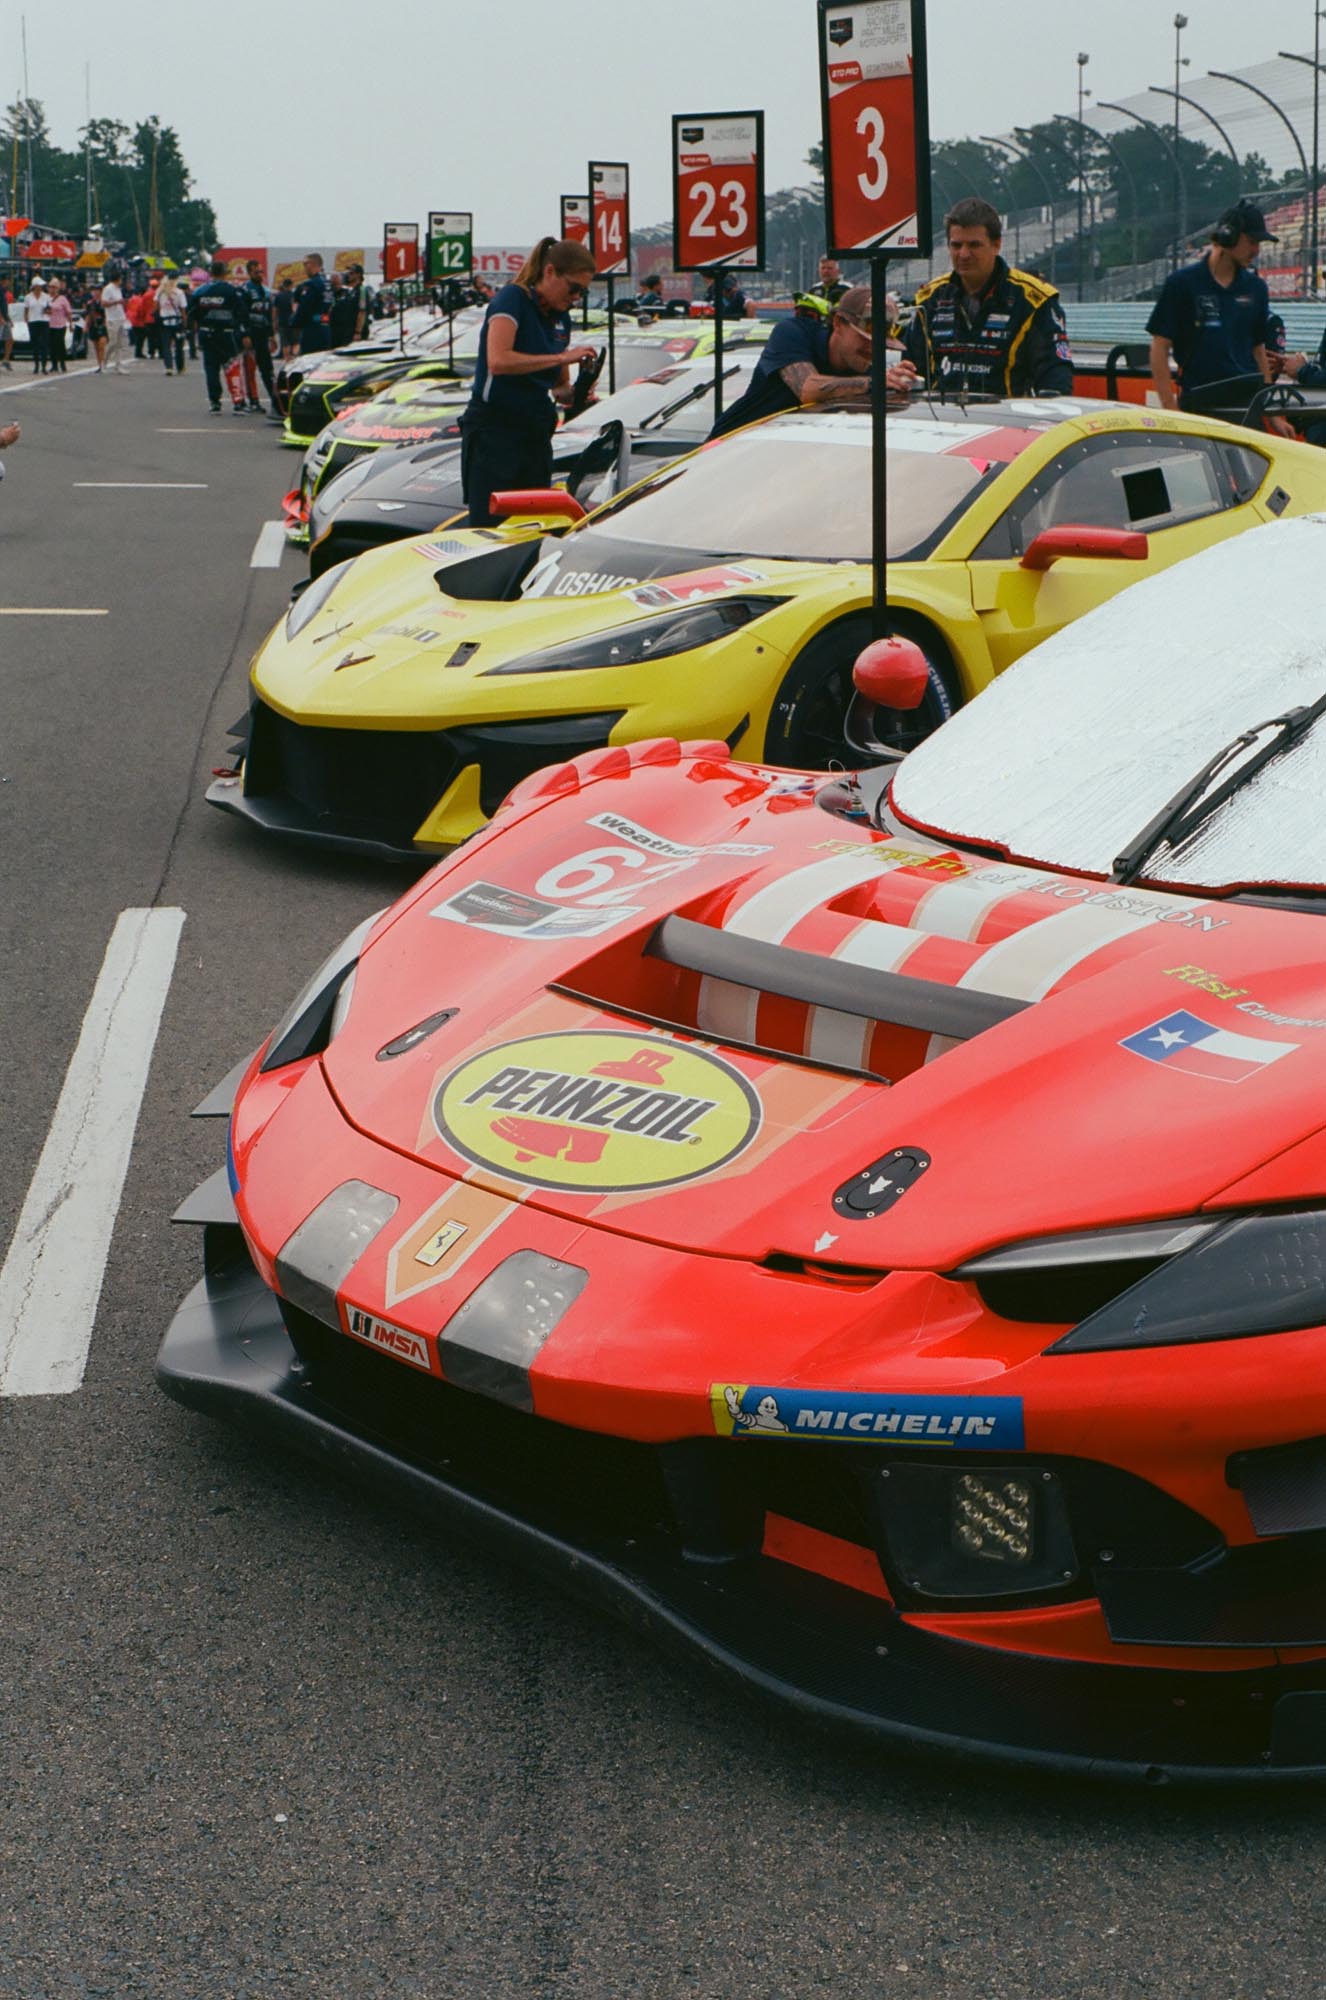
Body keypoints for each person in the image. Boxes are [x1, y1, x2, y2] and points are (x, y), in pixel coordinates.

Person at [460, 233, 599, 526]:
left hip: (534, 432)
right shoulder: (513, 299)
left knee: (533, 527)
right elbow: (498, 360)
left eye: (582, 293)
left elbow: (559, 389)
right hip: (495, 431)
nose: (574, 298)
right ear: (550, 272)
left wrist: (579, 391)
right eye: (573, 288)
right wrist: (562, 358)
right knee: (490, 528)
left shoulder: (561, 318)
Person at [903, 196, 1072, 399]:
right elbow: (912, 371)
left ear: (996, 244)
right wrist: (901, 377)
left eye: (974, 245)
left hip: (1007, 423)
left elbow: (1055, 383)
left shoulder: (1034, 300)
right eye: (956, 245)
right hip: (942, 423)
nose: (964, 254)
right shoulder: (930, 298)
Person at [709, 285, 916, 438]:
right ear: (838, 323)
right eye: (865, 338)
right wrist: (875, 382)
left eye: (881, 343)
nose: (872, 349)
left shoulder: (866, 374)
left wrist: (898, 382)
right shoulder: (793, 332)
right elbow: (807, 388)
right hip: (726, 446)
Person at [1147, 200, 1278, 420]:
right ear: (1229, 236)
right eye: (1252, 241)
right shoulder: (1182, 284)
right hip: (1200, 405)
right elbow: (1159, 348)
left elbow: (1258, 350)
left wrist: (1270, 412)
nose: (1256, 251)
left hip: (1246, 404)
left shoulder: (1257, 288)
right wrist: (1170, 409)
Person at [188, 256, 247, 413]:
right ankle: (238, 401)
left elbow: (192, 314)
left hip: (207, 334)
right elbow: (241, 313)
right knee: (232, 367)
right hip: (227, 335)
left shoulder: (200, 291)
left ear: (211, 273)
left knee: (211, 369)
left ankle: (215, 402)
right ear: (225, 273)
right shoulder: (232, 290)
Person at [239, 259, 278, 412]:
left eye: (261, 271)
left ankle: (275, 400)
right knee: (250, 369)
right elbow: (241, 314)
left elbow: (269, 314)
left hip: (263, 334)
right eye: (256, 272)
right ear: (249, 273)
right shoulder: (245, 290)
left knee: (268, 369)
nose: (260, 274)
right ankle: (253, 401)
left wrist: (271, 335)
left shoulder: (265, 291)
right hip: (251, 333)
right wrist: (244, 335)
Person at [291, 252, 332, 354]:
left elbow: (304, 308)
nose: (304, 268)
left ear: (313, 264)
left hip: (312, 329)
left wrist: (294, 323)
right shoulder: (327, 284)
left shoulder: (311, 284)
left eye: (306, 264)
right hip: (325, 326)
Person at [156, 273, 188, 374]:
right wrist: (185, 321)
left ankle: (168, 367)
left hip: (164, 321)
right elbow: (183, 309)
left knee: (166, 345)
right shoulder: (179, 292)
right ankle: (180, 367)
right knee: (179, 346)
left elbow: (156, 307)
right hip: (177, 321)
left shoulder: (160, 292)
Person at [100, 270, 129, 372]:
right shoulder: (108, 289)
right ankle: (104, 362)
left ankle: (118, 365)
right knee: (113, 342)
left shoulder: (118, 289)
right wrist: (116, 302)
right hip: (112, 319)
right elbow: (103, 303)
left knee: (120, 344)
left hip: (120, 317)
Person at [23, 276, 50, 374]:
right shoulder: (28, 297)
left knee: (44, 344)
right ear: (34, 286)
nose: (40, 288)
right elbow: (26, 310)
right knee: (35, 344)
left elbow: (50, 309)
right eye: (38, 286)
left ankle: (44, 366)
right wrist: (26, 320)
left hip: (44, 321)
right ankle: (36, 365)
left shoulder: (46, 296)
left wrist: (47, 311)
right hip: (33, 321)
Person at [45, 279, 73, 373]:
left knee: (59, 344)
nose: (51, 289)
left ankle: (62, 363)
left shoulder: (62, 299)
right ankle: (54, 365)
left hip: (60, 325)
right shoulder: (46, 298)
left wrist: (71, 324)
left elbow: (68, 312)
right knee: (51, 345)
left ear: (57, 288)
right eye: (50, 287)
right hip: (49, 325)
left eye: (54, 287)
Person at [83, 286, 107, 370]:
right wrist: (85, 325)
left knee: (102, 344)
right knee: (96, 347)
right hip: (94, 325)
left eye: (98, 291)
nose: (96, 293)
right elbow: (88, 315)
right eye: (94, 291)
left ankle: (103, 362)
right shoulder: (90, 303)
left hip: (103, 325)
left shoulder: (104, 302)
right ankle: (99, 364)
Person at [274, 277, 296, 360]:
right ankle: (293, 359)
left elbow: (274, 310)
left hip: (282, 322)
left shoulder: (279, 296)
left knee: (284, 343)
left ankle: (286, 359)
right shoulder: (294, 296)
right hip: (293, 322)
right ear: (291, 285)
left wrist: (274, 322)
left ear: (283, 285)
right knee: (294, 342)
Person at [0, 279, 12, 371]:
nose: (8, 283)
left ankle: (6, 359)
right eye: (7, 281)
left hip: (5, 318)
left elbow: (4, 307)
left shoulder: (4, 292)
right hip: (1, 319)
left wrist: (9, 319)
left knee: (10, 339)